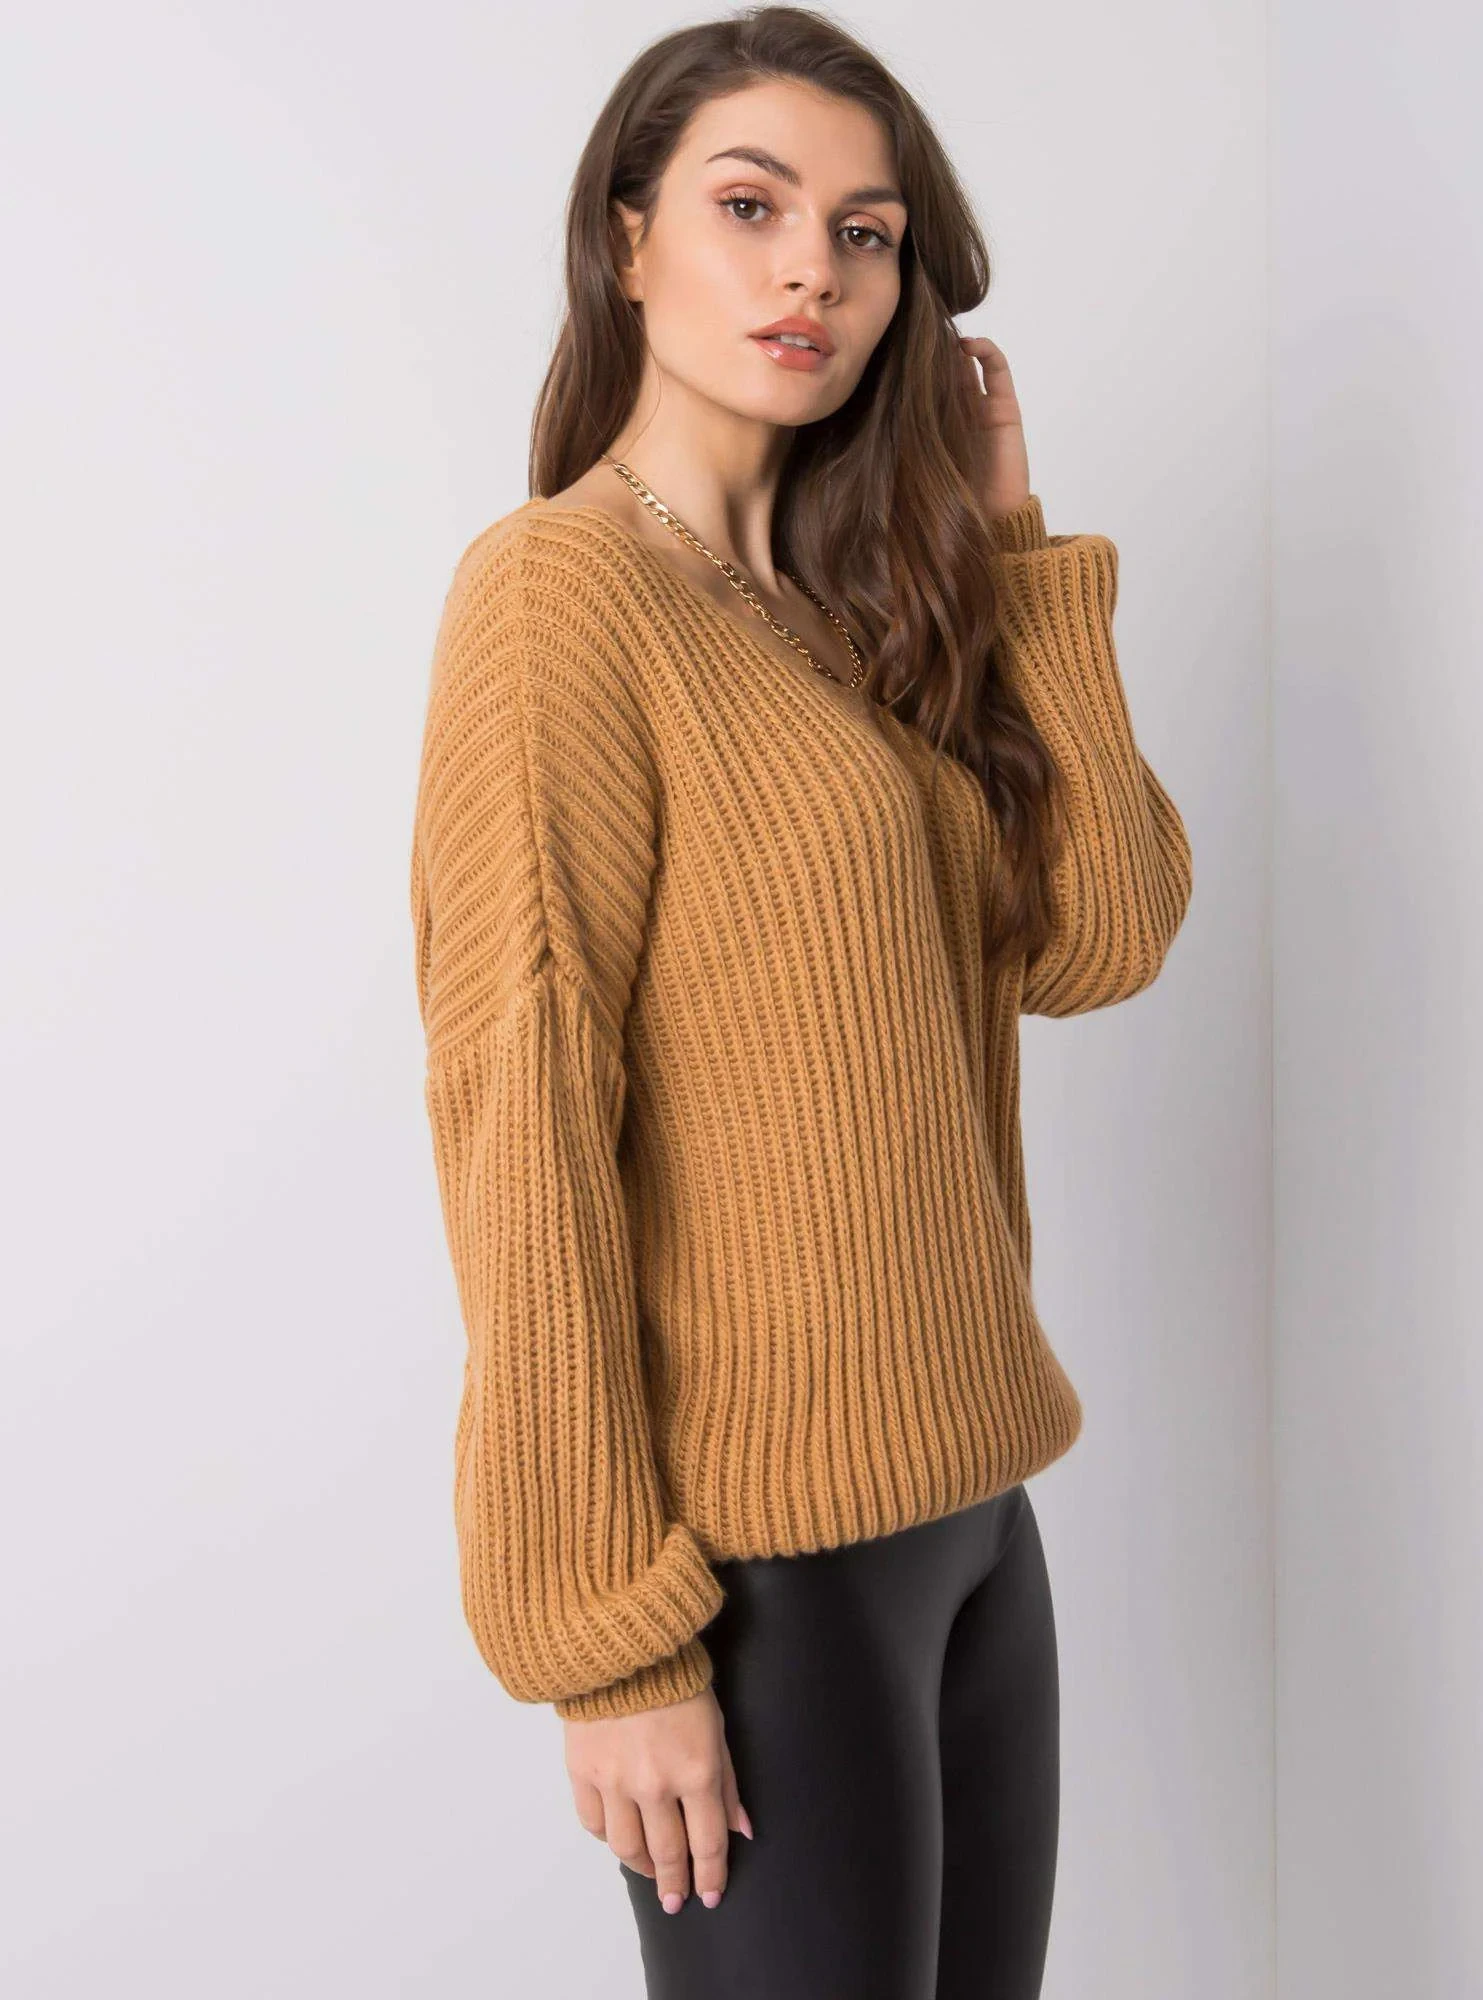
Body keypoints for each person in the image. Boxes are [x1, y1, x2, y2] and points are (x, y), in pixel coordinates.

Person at [408, 7, 1193, 1994]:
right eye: (750, 208)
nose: (813, 274)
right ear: (627, 238)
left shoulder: (851, 619)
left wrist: (1014, 559)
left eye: (865, 233)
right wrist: (608, 1641)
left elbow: (1102, 935)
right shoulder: (558, 595)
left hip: (974, 1520)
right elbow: (521, 1110)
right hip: (765, 1569)